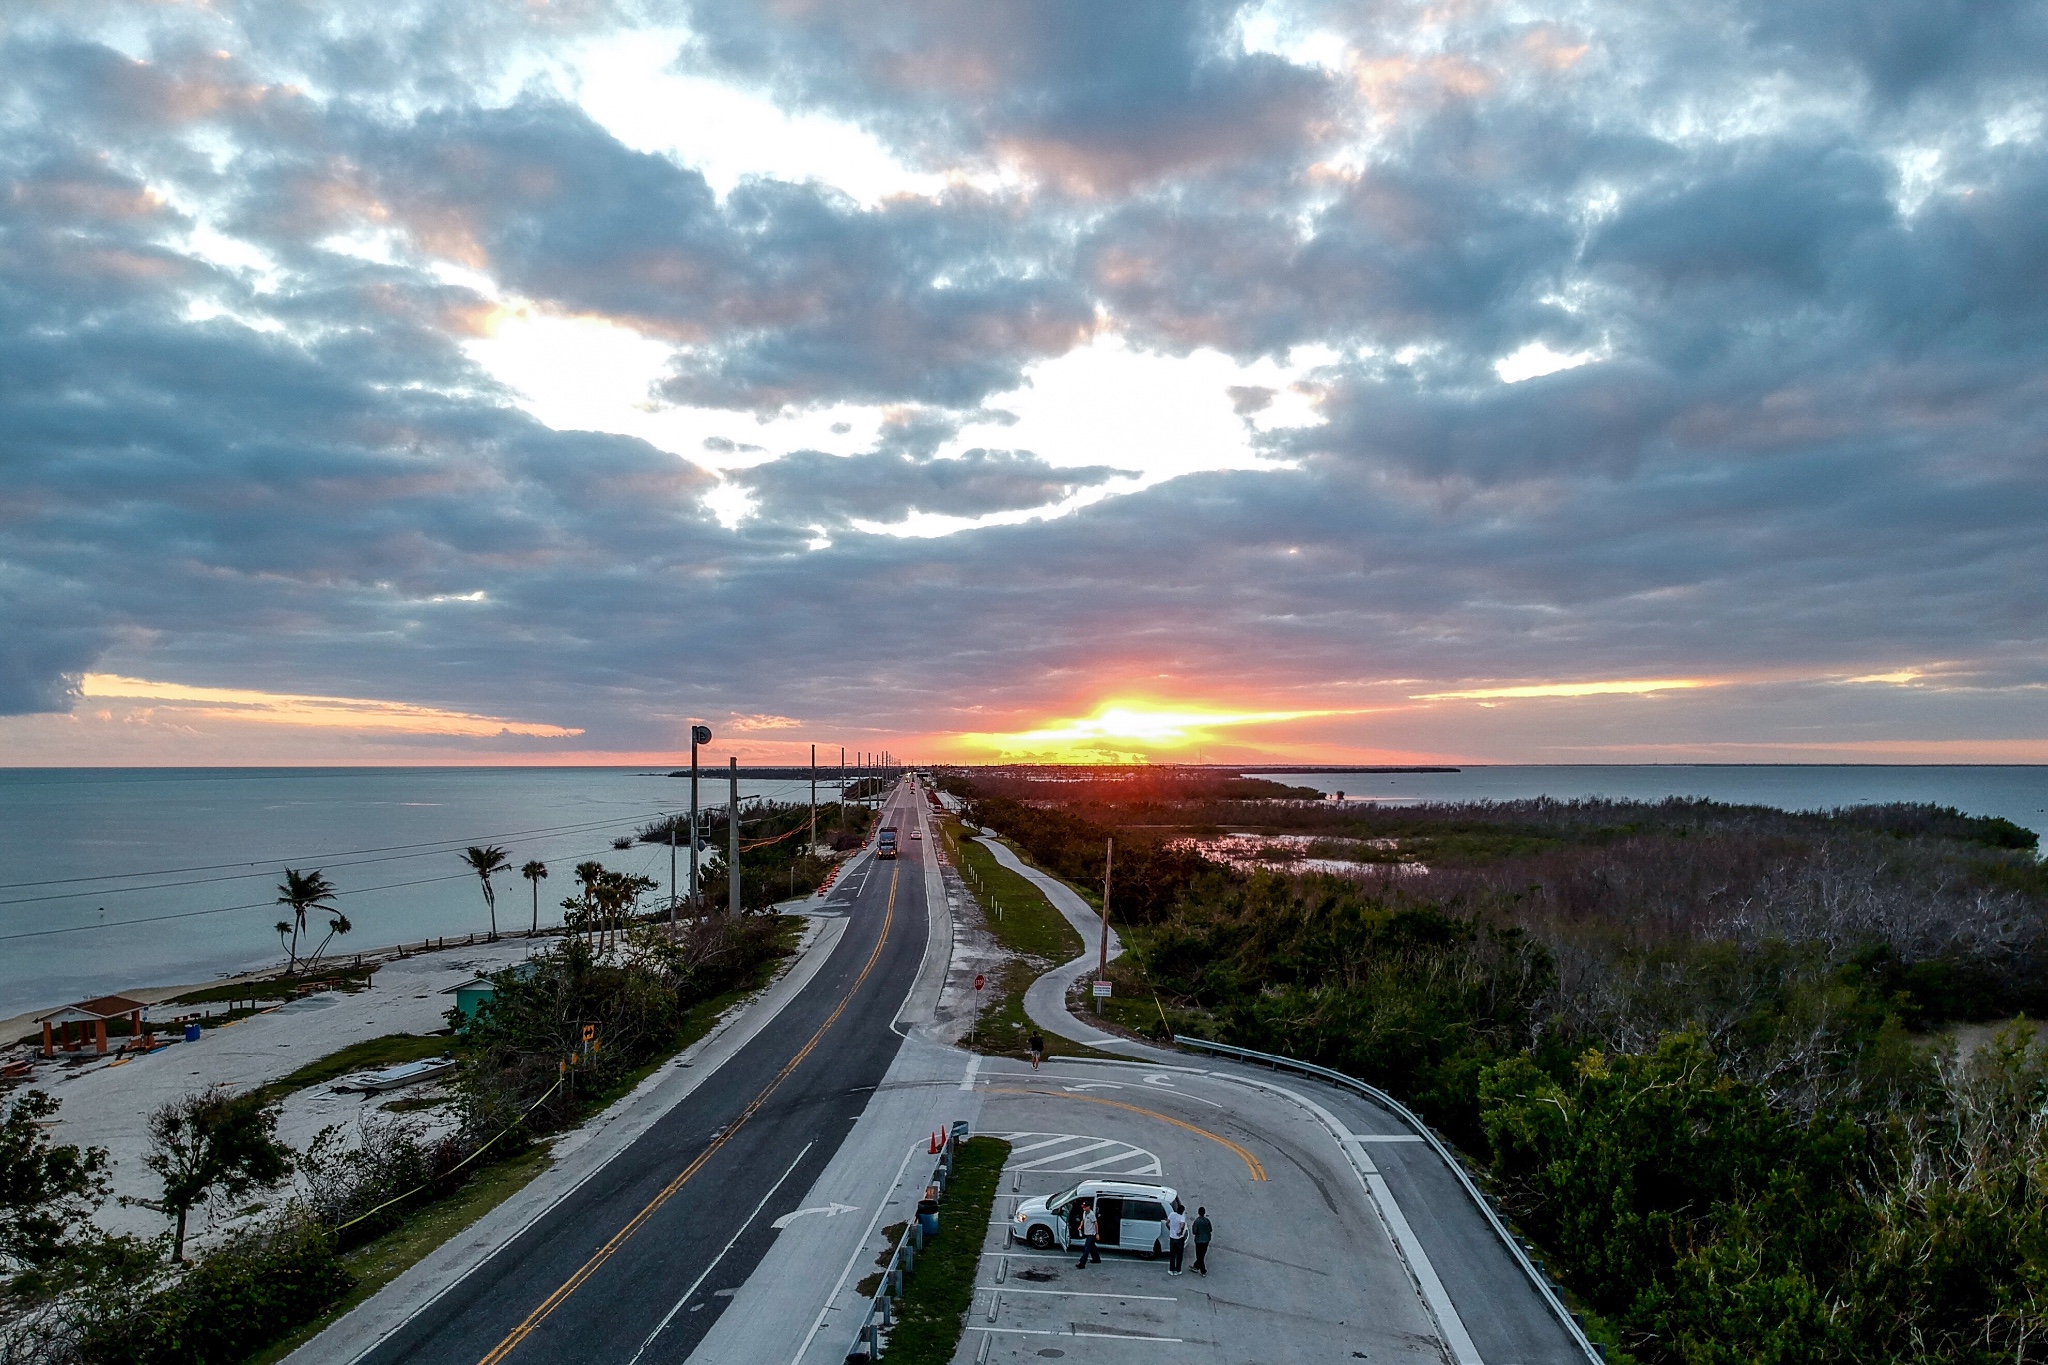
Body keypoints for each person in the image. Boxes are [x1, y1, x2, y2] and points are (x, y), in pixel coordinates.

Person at [1075, 1199, 1101, 1268]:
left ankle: (1082, 1263)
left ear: (1088, 1207)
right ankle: (1096, 1259)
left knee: (1086, 1249)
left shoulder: (1091, 1214)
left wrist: (1097, 1233)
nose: (1083, 1208)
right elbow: (1083, 1220)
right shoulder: (1084, 1212)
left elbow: (1096, 1223)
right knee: (1092, 1247)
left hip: (1091, 1234)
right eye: (1083, 1207)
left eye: (1085, 1207)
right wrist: (1080, 1226)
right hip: (1087, 1233)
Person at [1166, 1200, 1188, 1274]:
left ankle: (1171, 1269)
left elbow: (1167, 1223)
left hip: (1172, 1237)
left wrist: (1170, 1229)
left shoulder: (1172, 1214)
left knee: (1172, 1254)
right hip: (1179, 1238)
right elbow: (1182, 1225)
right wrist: (1180, 1232)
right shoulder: (1182, 1217)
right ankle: (1178, 1270)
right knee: (1179, 1255)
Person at [1192, 1206, 1212, 1275]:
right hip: (1206, 1240)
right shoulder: (1207, 1220)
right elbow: (1210, 1229)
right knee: (1202, 1255)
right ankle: (1195, 1266)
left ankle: (1203, 1271)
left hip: (1199, 1241)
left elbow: (1194, 1232)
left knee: (1199, 1256)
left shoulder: (1197, 1221)